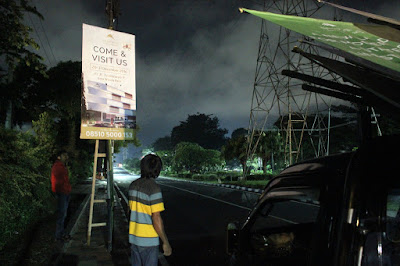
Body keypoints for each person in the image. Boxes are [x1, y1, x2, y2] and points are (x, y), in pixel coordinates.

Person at [128, 154, 172, 266]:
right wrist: (165, 242)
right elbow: (156, 217)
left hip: (134, 238)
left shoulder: (133, 185)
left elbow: (130, 211)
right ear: (157, 169)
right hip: (148, 240)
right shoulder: (153, 188)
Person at [51, 149, 72, 242]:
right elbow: (56, 181)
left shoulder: (62, 166)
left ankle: (61, 234)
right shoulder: (57, 166)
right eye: (64, 155)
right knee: (61, 214)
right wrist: (59, 190)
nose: (66, 157)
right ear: (59, 157)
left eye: (67, 155)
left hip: (65, 192)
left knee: (63, 214)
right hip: (62, 193)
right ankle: (58, 236)